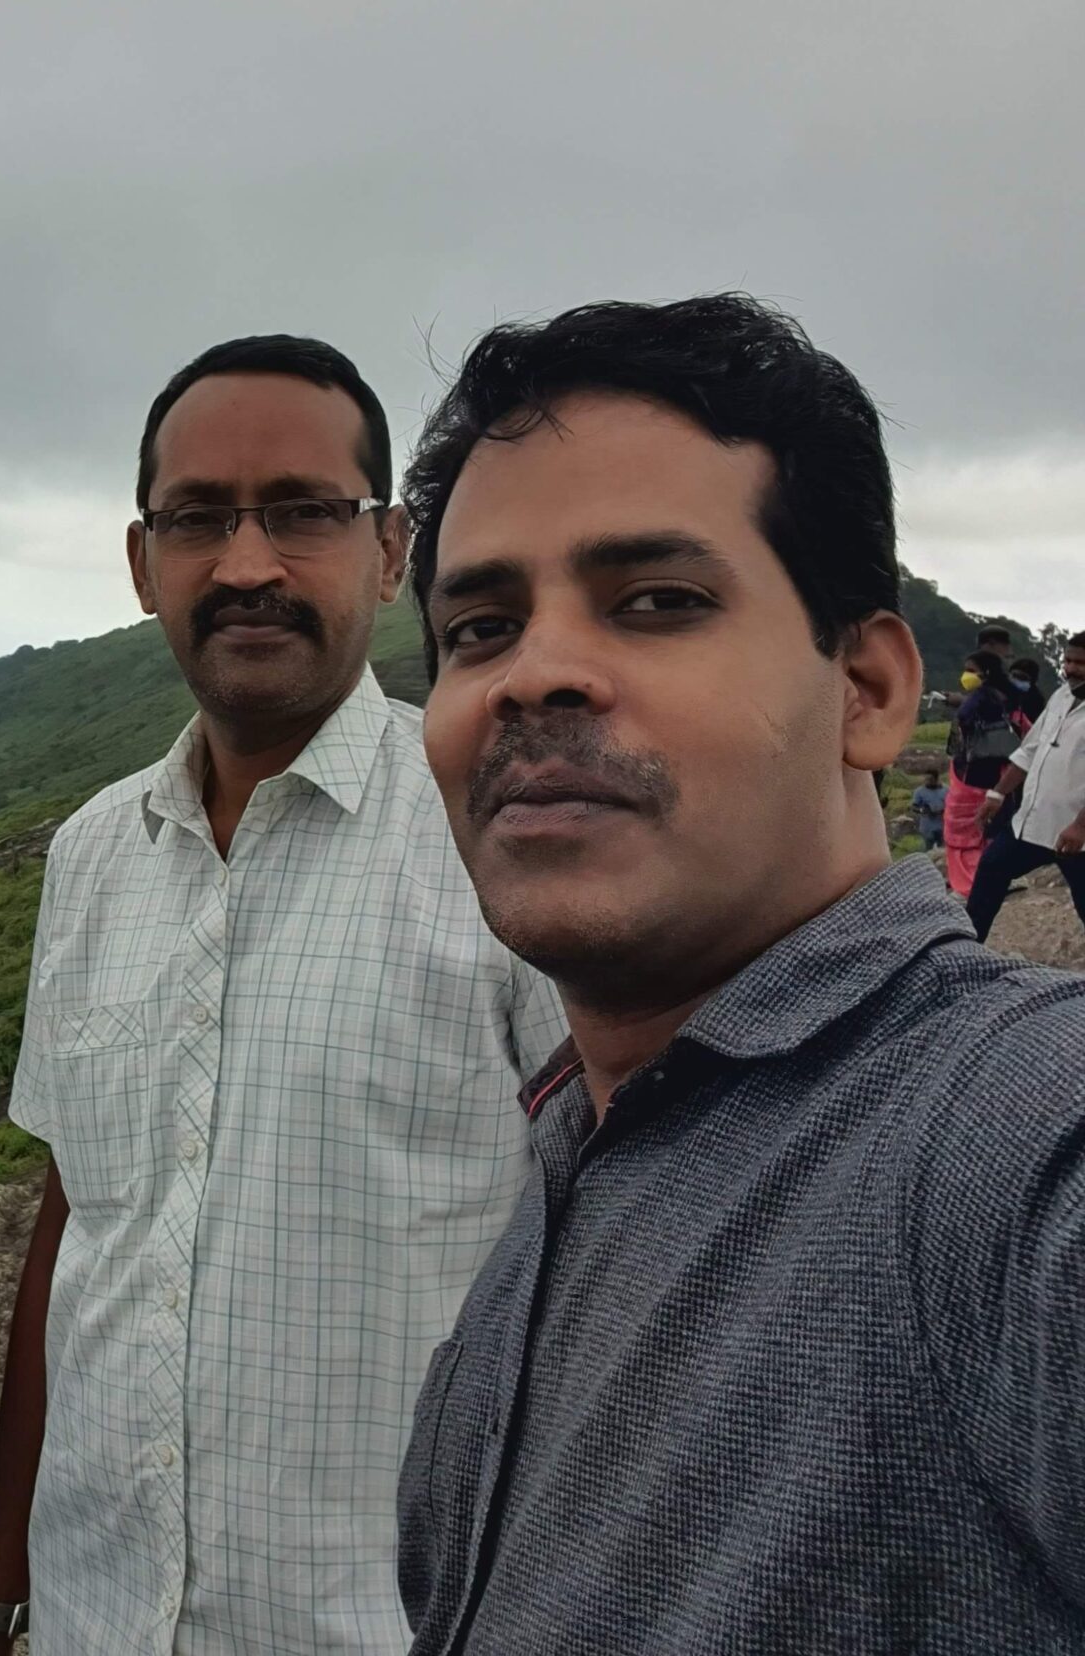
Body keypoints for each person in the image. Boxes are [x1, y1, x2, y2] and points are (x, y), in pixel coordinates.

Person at [398, 293, 1085, 1652]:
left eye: (657, 601)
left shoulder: (1008, 1135)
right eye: (480, 628)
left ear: (871, 692)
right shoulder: (575, 1141)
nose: (534, 675)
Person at [0, 338, 563, 1656]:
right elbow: (75, 1236)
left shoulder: (499, 837)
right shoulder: (95, 851)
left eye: (300, 513)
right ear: (141, 560)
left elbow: (623, 1259)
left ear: (393, 549)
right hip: (93, 1617)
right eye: (199, 520)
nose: (245, 565)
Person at [969, 632, 1085, 940]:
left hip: (1077, 836)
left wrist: (1080, 826)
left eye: (1080, 663)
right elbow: (1030, 750)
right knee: (991, 869)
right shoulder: (1062, 696)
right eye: (1068, 660)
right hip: (1033, 823)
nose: (1071, 669)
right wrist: (997, 793)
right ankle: (964, 954)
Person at [942, 650, 1023, 894]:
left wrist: (960, 704)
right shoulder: (1006, 695)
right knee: (992, 824)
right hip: (997, 767)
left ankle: (967, 882)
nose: (966, 675)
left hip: (974, 769)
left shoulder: (980, 696)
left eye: (971, 670)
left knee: (964, 824)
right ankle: (997, 876)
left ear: (984, 673)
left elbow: (965, 717)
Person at [908, 771, 949, 849]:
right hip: (927, 827)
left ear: (937, 779)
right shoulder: (919, 791)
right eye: (926, 779)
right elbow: (913, 807)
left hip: (943, 826)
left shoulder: (946, 790)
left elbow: (952, 805)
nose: (927, 781)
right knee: (928, 849)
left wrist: (943, 810)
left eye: (930, 779)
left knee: (943, 851)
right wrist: (923, 810)